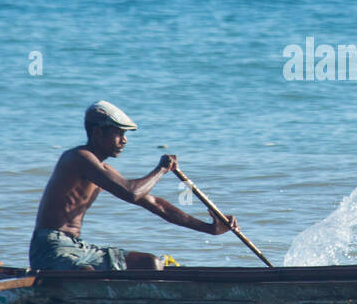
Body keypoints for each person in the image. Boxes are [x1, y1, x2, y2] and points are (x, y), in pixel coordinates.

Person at [29, 101, 236, 271]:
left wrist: (209, 228)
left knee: (151, 263)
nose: (124, 141)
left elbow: (155, 204)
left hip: (77, 247)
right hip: (50, 250)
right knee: (86, 273)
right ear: (98, 133)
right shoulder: (78, 158)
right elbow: (132, 193)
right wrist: (161, 170)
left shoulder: (103, 169)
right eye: (119, 134)